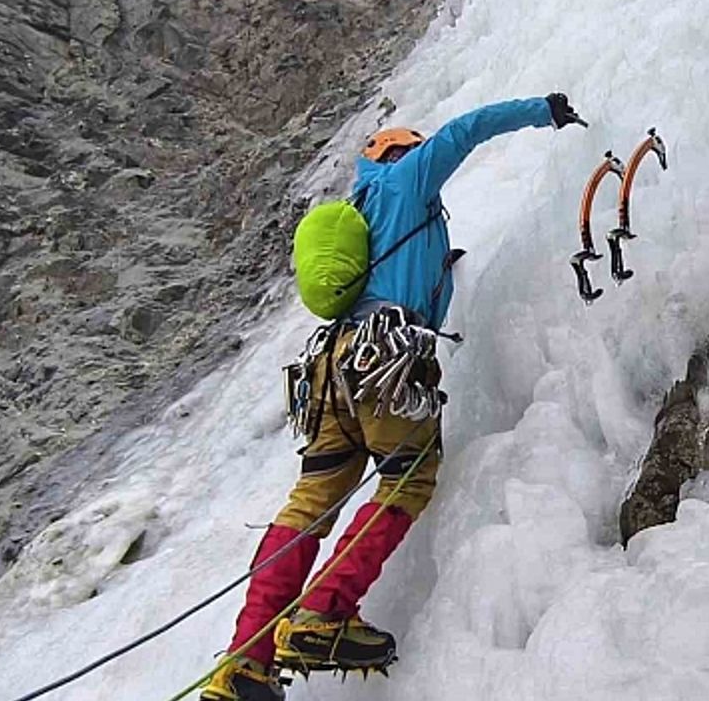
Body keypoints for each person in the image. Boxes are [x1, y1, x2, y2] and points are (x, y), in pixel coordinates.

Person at [202, 93, 586, 701]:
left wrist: (442, 266)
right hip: (384, 360)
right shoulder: (406, 179)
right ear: (401, 152)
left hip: (332, 367)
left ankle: (244, 661)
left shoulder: (364, 209)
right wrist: (544, 109)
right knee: (409, 477)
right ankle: (324, 612)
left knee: (309, 505)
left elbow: (401, 274)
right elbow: (466, 130)